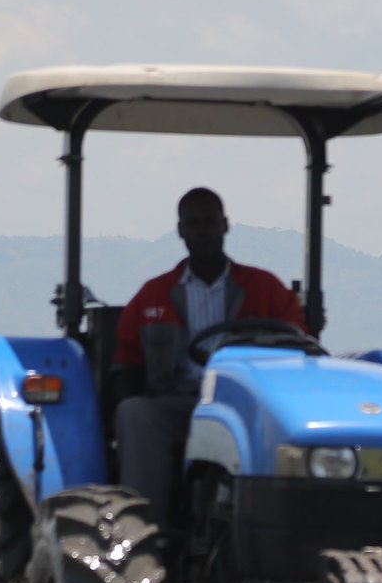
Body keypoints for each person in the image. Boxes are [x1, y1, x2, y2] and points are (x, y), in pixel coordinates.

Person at [110, 187, 305, 525]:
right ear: (181, 230)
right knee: (134, 413)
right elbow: (126, 362)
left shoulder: (265, 289)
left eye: (209, 222)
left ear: (225, 225)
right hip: (179, 403)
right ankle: (143, 531)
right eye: (193, 223)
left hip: (246, 405)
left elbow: (300, 345)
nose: (202, 231)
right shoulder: (153, 295)